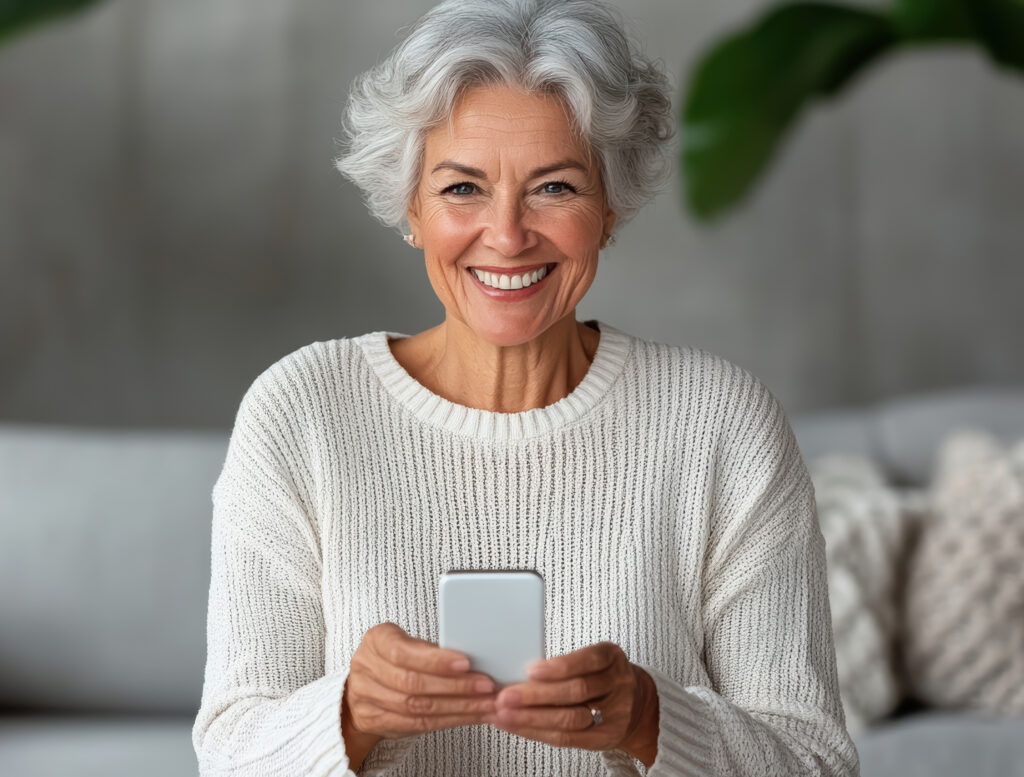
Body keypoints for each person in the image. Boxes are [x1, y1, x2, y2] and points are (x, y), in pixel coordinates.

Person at [191, 1, 861, 775]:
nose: (508, 235)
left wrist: (651, 720)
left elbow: (816, 762)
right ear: (411, 207)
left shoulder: (723, 424)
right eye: (462, 188)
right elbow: (231, 757)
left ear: (609, 209)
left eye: (554, 187)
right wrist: (350, 714)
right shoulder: (301, 412)